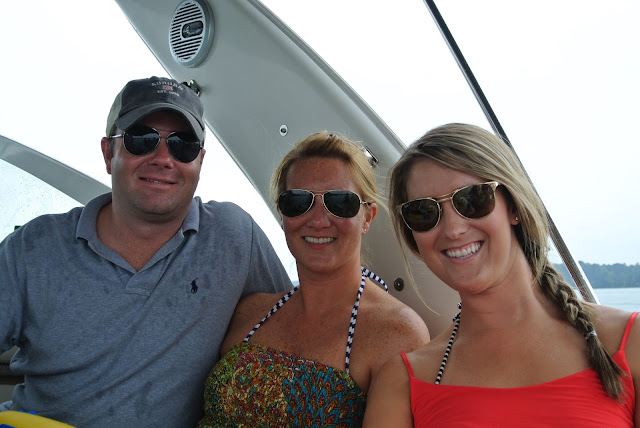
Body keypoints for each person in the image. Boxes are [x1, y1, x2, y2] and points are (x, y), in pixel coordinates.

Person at [0, 76, 292, 427]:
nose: (163, 158)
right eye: (142, 139)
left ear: (199, 162)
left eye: (183, 145)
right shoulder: (34, 247)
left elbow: (298, 319)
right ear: (108, 153)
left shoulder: (233, 237)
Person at [363, 123, 639, 427]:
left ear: (514, 207)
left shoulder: (628, 340)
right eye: (424, 212)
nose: (453, 229)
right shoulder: (403, 382)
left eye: (472, 199)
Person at [197, 131, 430, 427]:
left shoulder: (396, 332)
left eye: (340, 202)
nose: (318, 220)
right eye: (298, 201)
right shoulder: (249, 311)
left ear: (367, 217)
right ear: (282, 214)